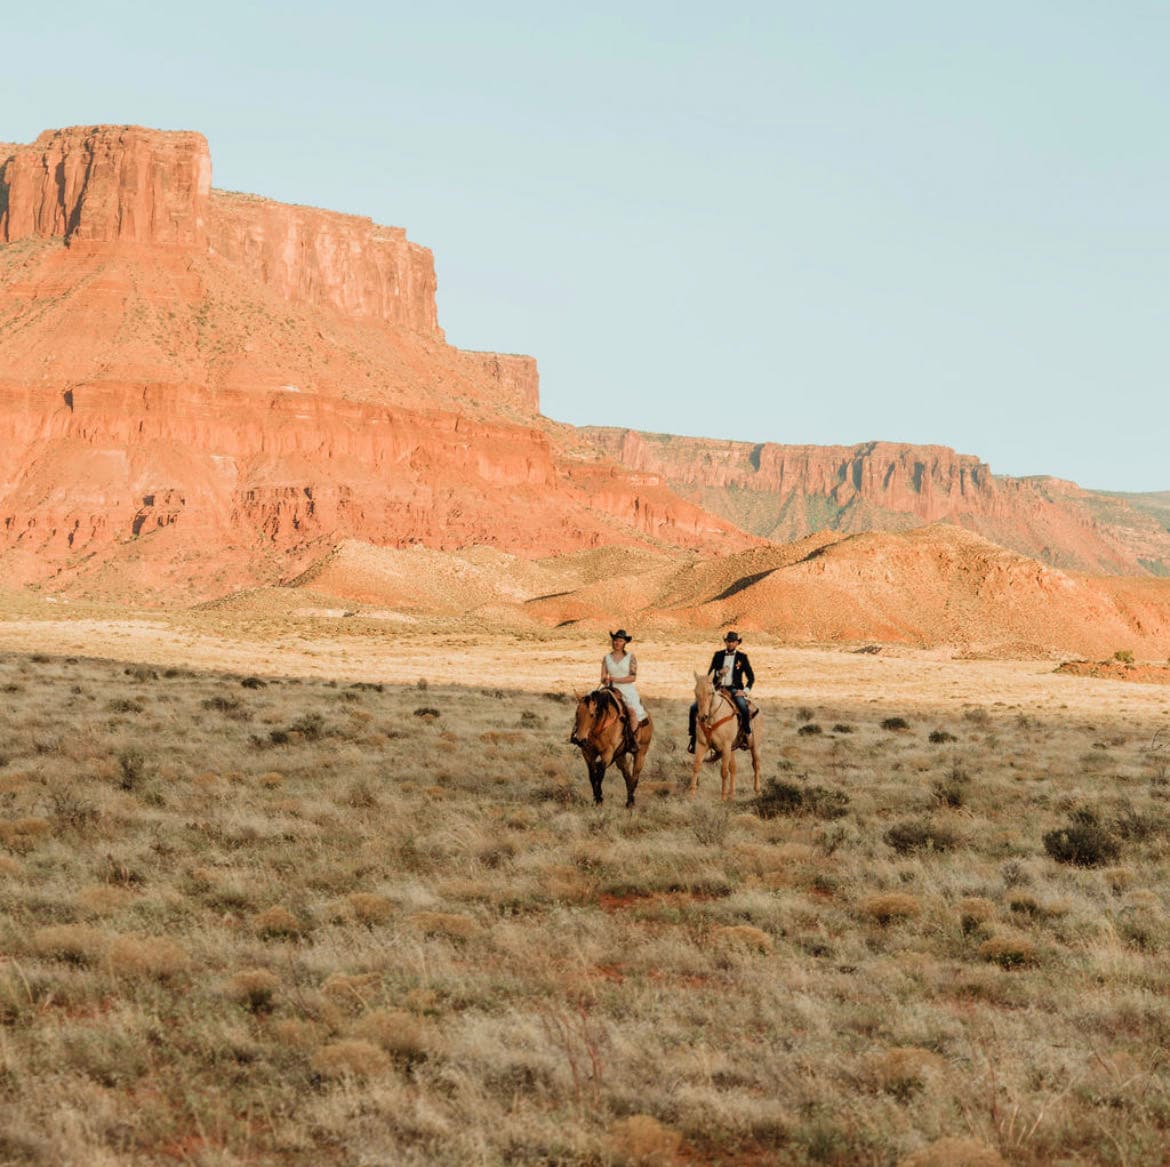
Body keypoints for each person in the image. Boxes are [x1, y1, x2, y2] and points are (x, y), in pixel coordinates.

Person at [688, 631, 755, 753]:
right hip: (717, 689)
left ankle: (746, 734)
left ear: (737, 643)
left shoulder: (742, 657)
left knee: (743, 707)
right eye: (728, 641)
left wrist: (745, 691)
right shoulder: (718, 655)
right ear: (725, 642)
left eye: (733, 641)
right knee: (693, 708)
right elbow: (710, 676)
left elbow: (751, 677)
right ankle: (693, 737)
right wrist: (719, 673)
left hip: (734, 689)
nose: (730, 644)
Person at [601, 629, 646, 747]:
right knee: (591, 706)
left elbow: (632, 677)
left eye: (620, 640)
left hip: (627, 689)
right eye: (615, 640)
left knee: (631, 711)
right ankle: (582, 735)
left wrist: (616, 679)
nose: (617, 642)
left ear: (625, 642)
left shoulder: (631, 657)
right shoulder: (606, 658)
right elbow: (603, 676)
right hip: (610, 688)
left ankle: (632, 739)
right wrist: (605, 680)